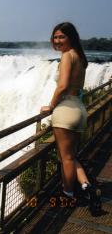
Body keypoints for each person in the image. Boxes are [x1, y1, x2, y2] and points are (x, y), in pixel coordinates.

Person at [40, 22, 101, 215]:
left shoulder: (67, 56)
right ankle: (87, 187)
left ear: (71, 38)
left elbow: (63, 85)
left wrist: (50, 106)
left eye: (61, 37)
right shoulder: (80, 57)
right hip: (79, 109)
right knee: (71, 157)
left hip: (65, 109)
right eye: (55, 37)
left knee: (65, 158)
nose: (57, 41)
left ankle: (67, 196)